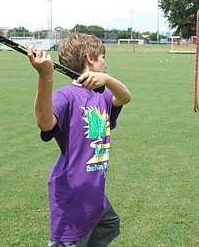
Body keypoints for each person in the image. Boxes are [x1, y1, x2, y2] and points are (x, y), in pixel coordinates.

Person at [27, 34, 131, 246]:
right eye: (103, 56)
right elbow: (45, 123)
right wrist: (45, 77)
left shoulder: (101, 95)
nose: (106, 62)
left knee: (109, 224)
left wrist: (108, 80)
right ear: (90, 58)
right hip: (72, 195)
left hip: (93, 193)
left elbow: (125, 97)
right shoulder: (66, 96)